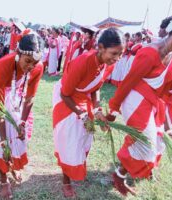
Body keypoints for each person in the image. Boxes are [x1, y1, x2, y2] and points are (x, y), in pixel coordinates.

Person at [107, 18, 172, 196]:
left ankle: (120, 175)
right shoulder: (150, 53)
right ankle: (119, 175)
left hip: (152, 103)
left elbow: (169, 92)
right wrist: (113, 108)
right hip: (135, 101)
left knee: (154, 142)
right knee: (147, 145)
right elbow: (128, 83)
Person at [52, 27, 125, 198]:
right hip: (67, 101)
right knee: (70, 142)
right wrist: (83, 115)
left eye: (120, 54)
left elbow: (96, 88)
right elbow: (65, 93)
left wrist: (97, 109)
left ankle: (75, 167)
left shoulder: (108, 65)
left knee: (85, 138)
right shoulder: (83, 62)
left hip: (84, 100)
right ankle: (66, 181)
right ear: (100, 48)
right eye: (114, 53)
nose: (117, 58)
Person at [0, 32, 44, 199]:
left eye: (35, 63)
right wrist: (3, 141)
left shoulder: (37, 67)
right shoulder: (4, 65)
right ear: (18, 53)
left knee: (18, 133)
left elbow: (29, 98)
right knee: (0, 136)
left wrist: (22, 122)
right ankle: (3, 179)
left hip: (17, 94)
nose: (31, 66)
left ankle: (14, 165)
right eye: (27, 61)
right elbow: (0, 110)